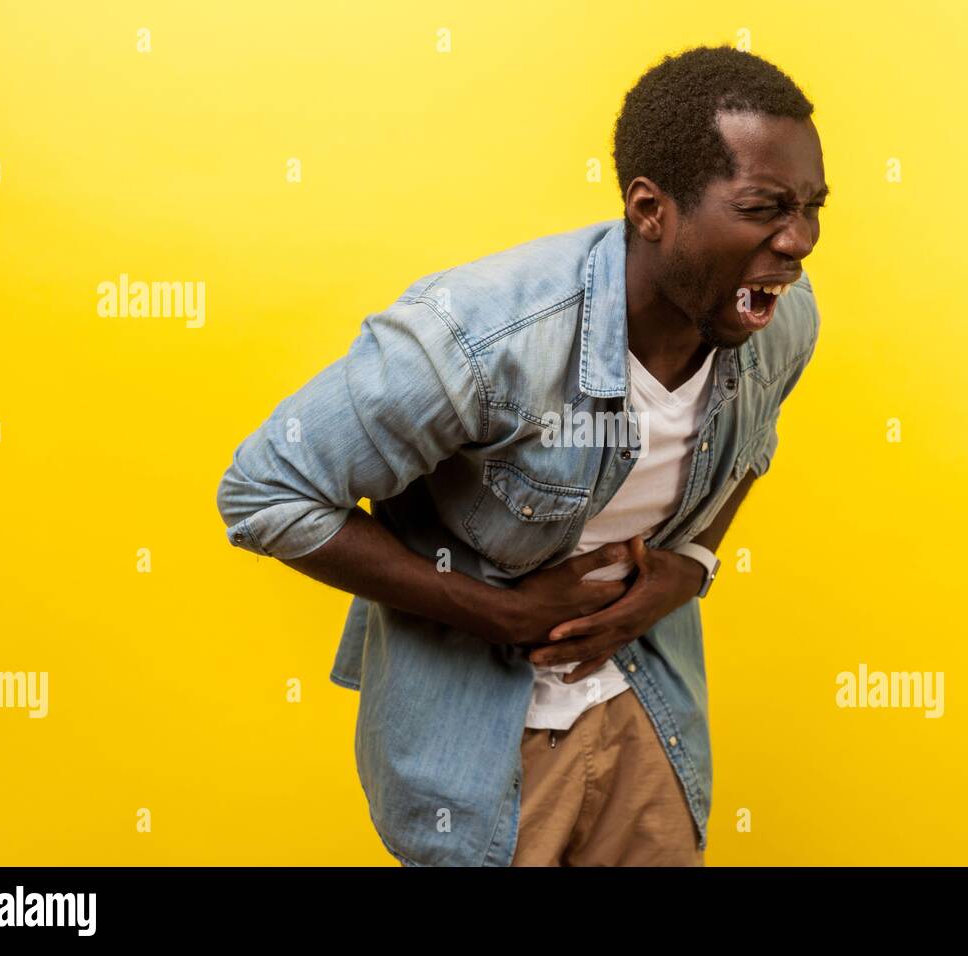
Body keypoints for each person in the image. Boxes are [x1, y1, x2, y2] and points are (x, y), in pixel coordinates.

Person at [216, 44, 827, 866]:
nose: (799, 240)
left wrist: (694, 561)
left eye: (812, 206)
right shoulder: (482, 340)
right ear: (652, 208)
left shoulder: (777, 318)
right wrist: (499, 613)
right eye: (763, 208)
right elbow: (264, 494)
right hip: (485, 755)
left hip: (648, 716)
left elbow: (752, 441)